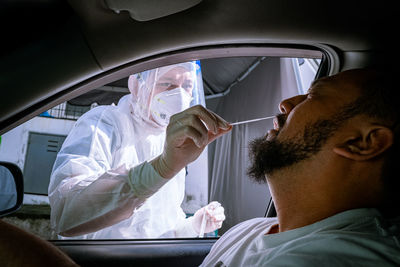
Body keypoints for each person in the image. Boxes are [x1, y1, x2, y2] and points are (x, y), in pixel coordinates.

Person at [200, 68, 400, 266]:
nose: (285, 104)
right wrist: (168, 168)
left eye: (314, 96)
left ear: (362, 142)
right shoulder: (245, 231)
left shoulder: (329, 259)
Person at [48, 61, 231, 239]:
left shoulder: (170, 140)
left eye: (188, 85)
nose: (179, 95)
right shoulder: (104, 123)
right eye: (167, 83)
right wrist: (161, 168)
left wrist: (193, 226)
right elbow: (66, 214)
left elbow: (161, 228)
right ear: (137, 86)